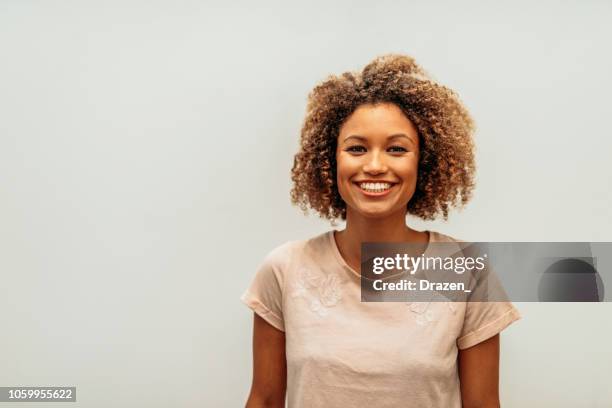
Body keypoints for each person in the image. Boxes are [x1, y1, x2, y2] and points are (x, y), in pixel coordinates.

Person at [241, 54, 520, 408]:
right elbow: (264, 400)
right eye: (357, 148)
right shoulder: (284, 269)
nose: (374, 166)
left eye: (397, 149)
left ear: (425, 161)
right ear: (331, 161)